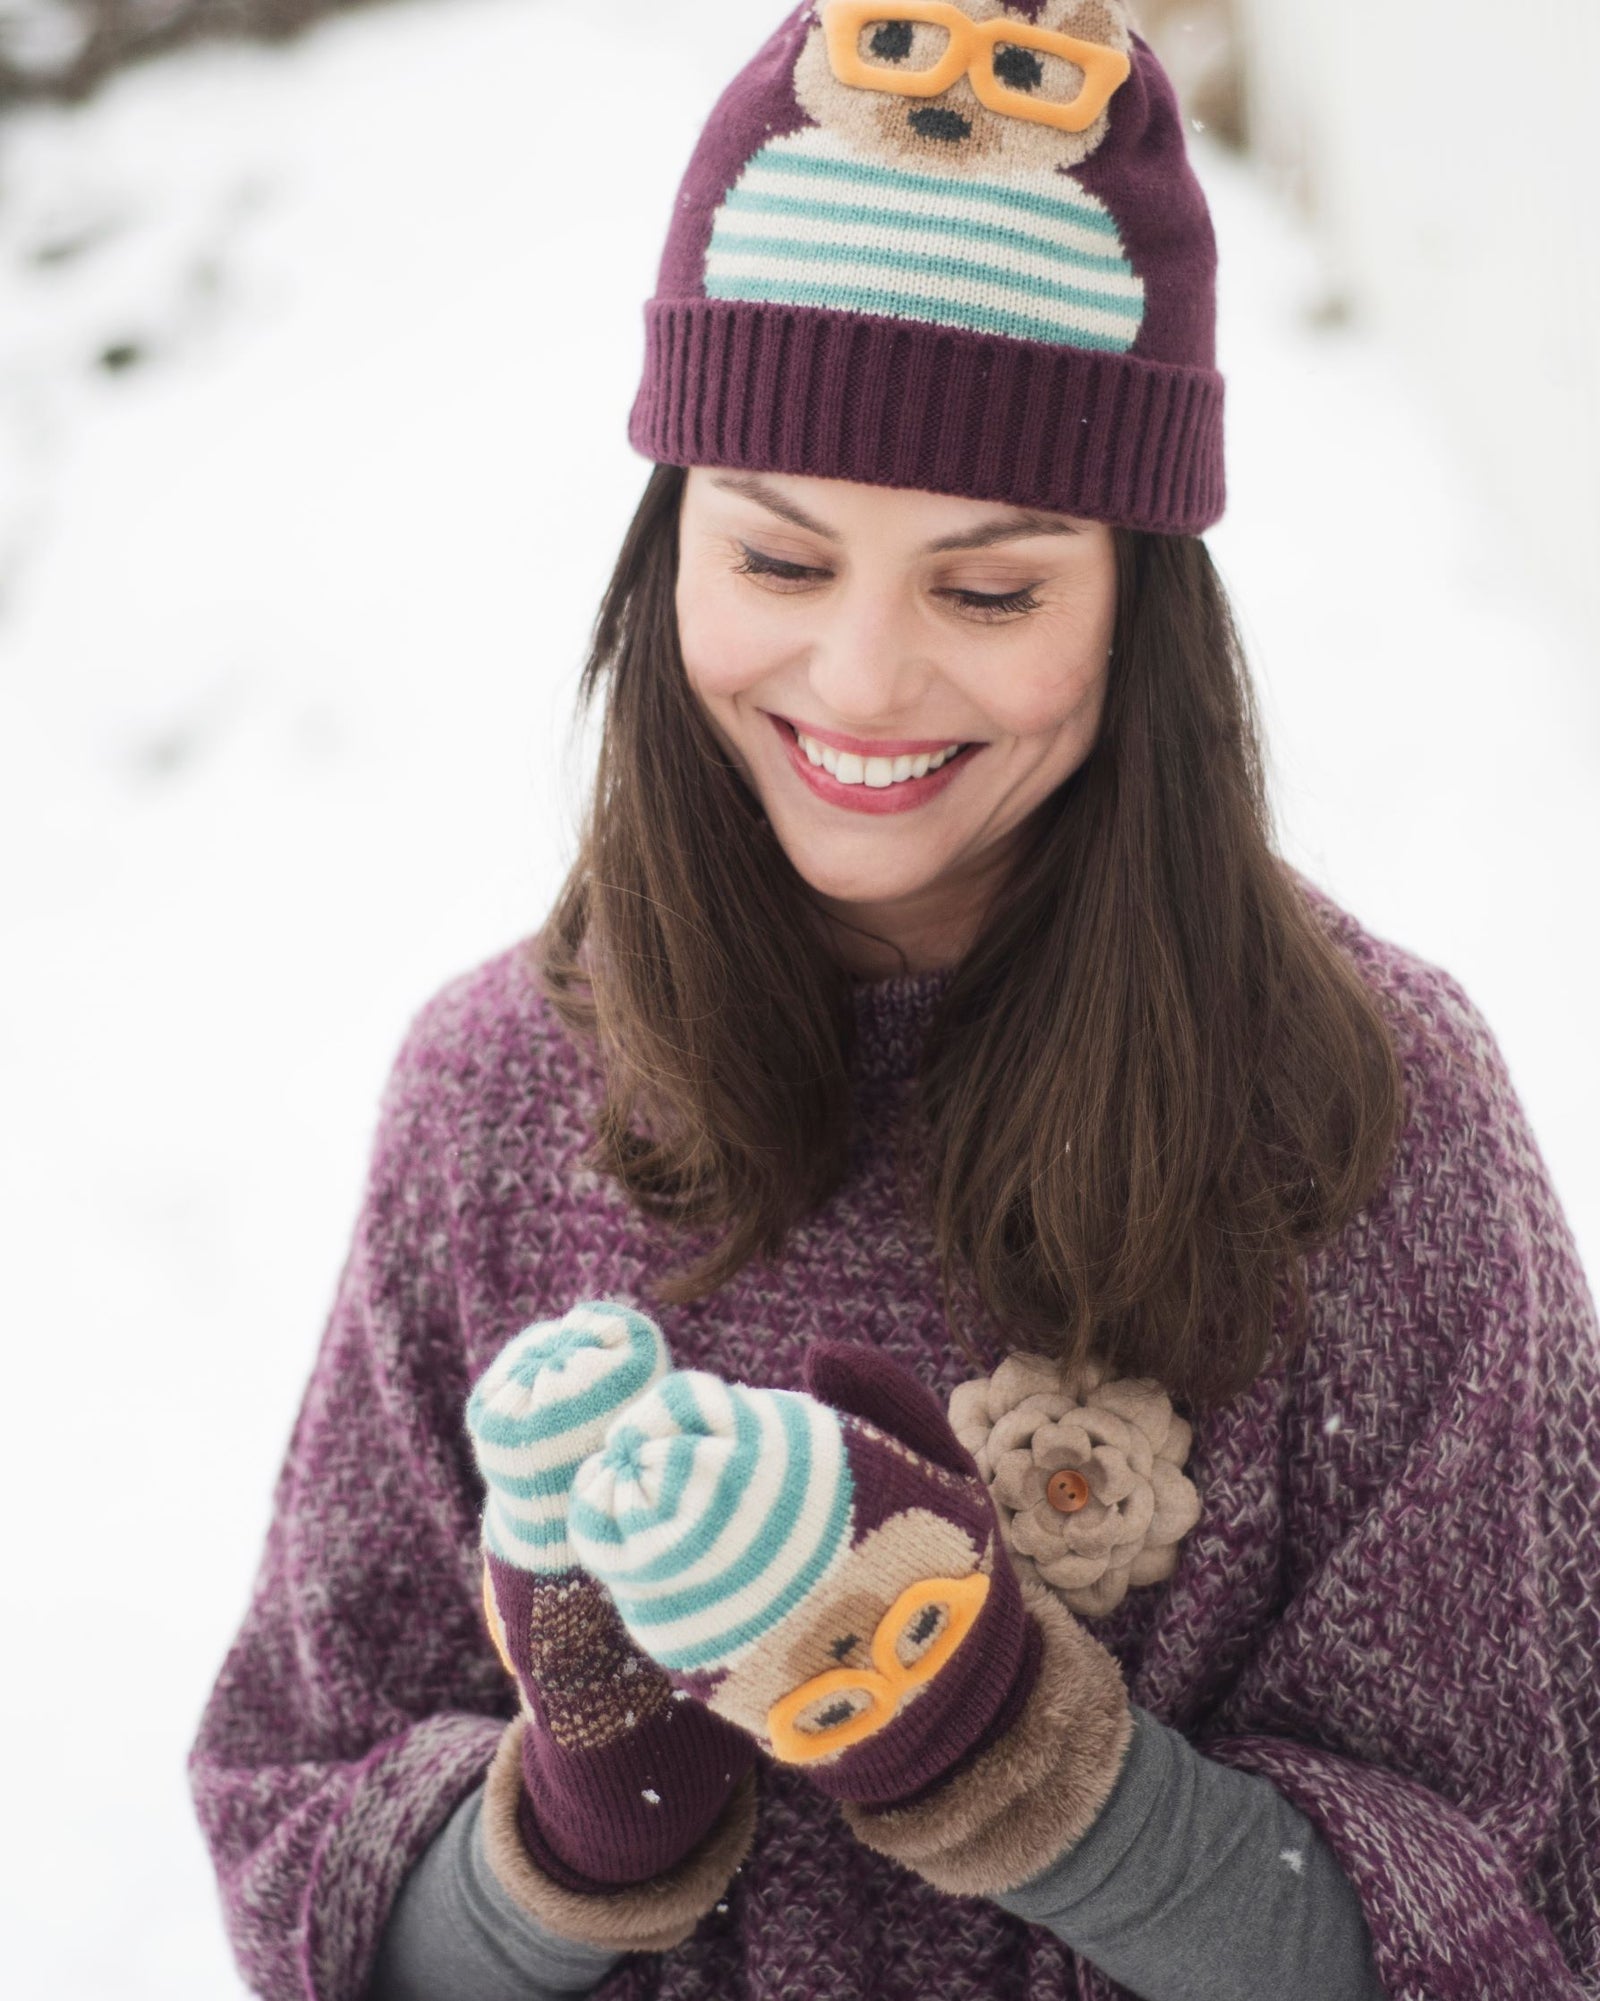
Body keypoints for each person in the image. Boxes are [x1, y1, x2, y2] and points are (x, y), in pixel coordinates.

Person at [189, 6, 1600, 1999]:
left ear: (1137, 597)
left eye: (990, 588)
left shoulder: (1365, 1118)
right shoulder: (496, 1094)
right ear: (666, 533)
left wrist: (1007, 1743)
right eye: (776, 551)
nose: (859, 680)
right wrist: (585, 1808)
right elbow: (316, 1874)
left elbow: (1504, 1907)